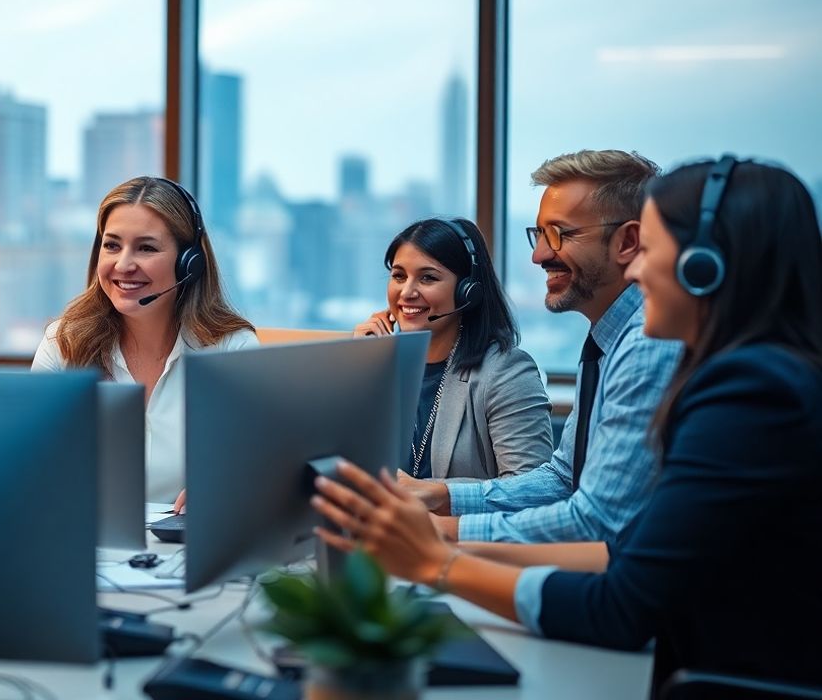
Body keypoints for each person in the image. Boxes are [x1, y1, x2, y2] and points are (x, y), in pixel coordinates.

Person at [314, 157, 822, 696]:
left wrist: (437, 559)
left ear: (703, 267)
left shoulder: (746, 389)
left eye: (651, 250)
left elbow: (613, 575)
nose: (639, 272)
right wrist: (439, 519)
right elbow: (596, 520)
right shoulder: (645, 352)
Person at [400, 150, 681, 543]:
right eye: (539, 235)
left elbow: (597, 520)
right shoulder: (604, 344)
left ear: (628, 241)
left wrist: (442, 531)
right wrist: (440, 495)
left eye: (559, 234)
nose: (539, 255)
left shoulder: (645, 344)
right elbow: (564, 479)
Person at [32, 176, 257, 504]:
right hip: (87, 544)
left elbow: (257, 470)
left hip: (191, 546)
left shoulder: (232, 349)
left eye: (146, 248)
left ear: (188, 263)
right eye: (112, 245)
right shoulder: (63, 343)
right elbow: (31, 463)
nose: (123, 265)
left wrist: (226, 490)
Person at [353, 218, 552, 481]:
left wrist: (432, 499)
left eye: (427, 278)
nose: (407, 292)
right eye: (399, 276)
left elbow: (531, 490)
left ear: (467, 292)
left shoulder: (507, 372)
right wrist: (358, 366)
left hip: (457, 523)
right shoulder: (383, 367)